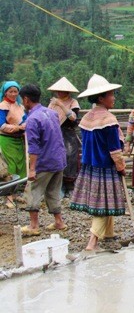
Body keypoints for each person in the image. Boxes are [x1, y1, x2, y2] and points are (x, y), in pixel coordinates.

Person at [70, 74, 126, 251]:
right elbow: (114, 149)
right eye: (111, 94)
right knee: (103, 203)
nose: (114, 98)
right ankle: (92, 242)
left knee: (104, 200)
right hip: (104, 166)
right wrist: (121, 166)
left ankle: (108, 233)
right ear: (101, 98)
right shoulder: (108, 120)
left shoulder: (88, 118)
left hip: (90, 165)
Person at [19, 84, 68, 236]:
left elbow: (34, 147)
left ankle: (34, 225)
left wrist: (32, 168)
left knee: (33, 191)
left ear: (26, 99)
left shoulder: (33, 119)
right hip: (58, 159)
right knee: (53, 191)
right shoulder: (51, 113)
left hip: (45, 161)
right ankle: (59, 222)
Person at [47, 77, 81, 198]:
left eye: (62, 91)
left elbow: (73, 118)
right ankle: (58, 186)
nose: (59, 93)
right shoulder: (53, 102)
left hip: (68, 133)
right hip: (55, 132)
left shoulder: (73, 102)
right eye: (58, 91)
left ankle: (70, 186)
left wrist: (61, 105)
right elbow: (48, 115)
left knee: (70, 157)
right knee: (56, 157)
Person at [0, 81, 27, 208]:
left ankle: (16, 194)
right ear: (5, 92)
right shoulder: (3, 106)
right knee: (10, 165)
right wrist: (18, 127)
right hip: (7, 139)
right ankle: (8, 197)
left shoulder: (20, 106)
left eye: (15, 91)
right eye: (10, 91)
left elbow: (26, 120)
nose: (13, 94)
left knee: (20, 165)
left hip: (19, 139)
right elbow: (2, 125)